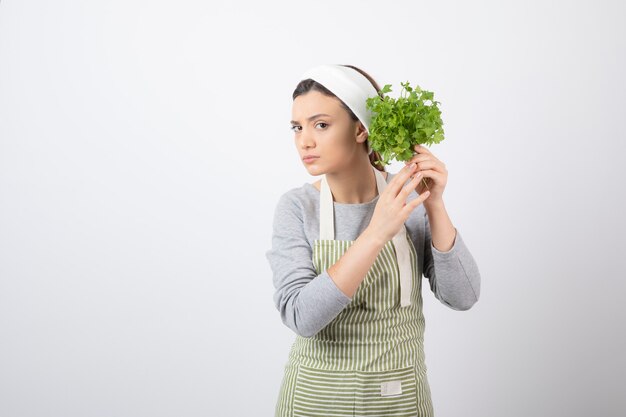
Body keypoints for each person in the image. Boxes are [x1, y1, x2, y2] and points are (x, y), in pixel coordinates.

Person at [265, 64, 481, 417]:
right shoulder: (297, 207)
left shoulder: (408, 198)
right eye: (297, 127)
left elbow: (464, 296)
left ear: (361, 129)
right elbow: (302, 316)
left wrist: (435, 204)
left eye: (321, 124)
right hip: (315, 401)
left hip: (398, 400)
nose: (304, 140)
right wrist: (377, 231)